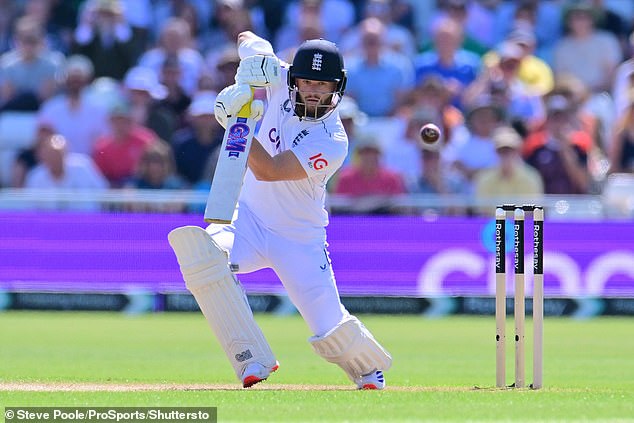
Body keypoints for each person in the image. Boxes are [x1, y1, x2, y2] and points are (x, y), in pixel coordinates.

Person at [167, 32, 391, 390]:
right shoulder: (276, 76)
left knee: (331, 328)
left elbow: (270, 170)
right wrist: (250, 67)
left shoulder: (333, 140)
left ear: (338, 87)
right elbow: (245, 37)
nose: (314, 91)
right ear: (293, 79)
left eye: (323, 84)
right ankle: (252, 359)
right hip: (249, 222)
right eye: (307, 82)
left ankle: (367, 367)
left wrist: (237, 125)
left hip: (299, 238)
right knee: (203, 256)